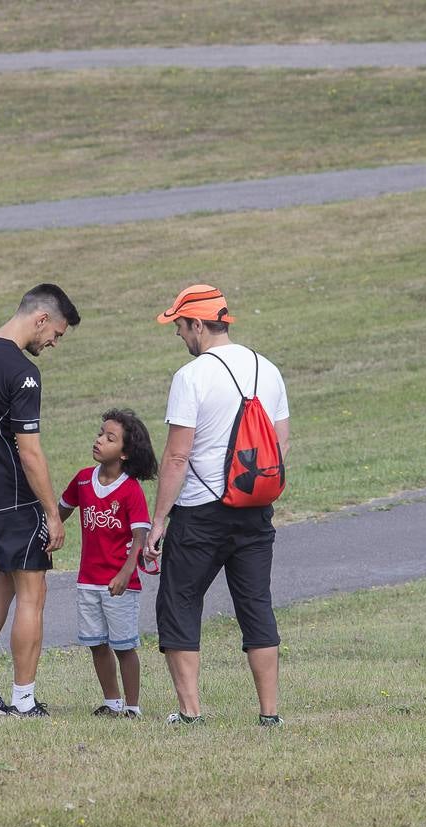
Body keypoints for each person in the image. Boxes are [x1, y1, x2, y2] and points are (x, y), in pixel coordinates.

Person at [143, 284, 290, 727]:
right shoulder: (269, 369)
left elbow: (176, 457)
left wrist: (157, 522)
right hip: (254, 508)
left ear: (199, 324)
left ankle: (191, 712)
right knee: (255, 604)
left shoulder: (191, 377)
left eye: (180, 326)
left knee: (180, 602)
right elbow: (280, 447)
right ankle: (269, 714)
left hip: (200, 512)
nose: (179, 336)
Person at [0, 283, 80, 718]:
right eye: (56, 335)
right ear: (40, 318)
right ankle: (24, 700)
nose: (54, 343)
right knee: (32, 592)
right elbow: (30, 451)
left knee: (3, 579)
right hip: (14, 499)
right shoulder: (22, 373)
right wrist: (52, 515)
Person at [58, 409, 157, 718]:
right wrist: (48, 531)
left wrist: (127, 572)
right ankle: (111, 702)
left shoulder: (130, 490)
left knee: (124, 646)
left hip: (120, 584)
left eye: (109, 438)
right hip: (88, 580)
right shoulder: (82, 481)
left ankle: (132, 707)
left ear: (125, 453)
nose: (99, 440)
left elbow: (140, 535)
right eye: (100, 433)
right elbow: (59, 511)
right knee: (97, 644)